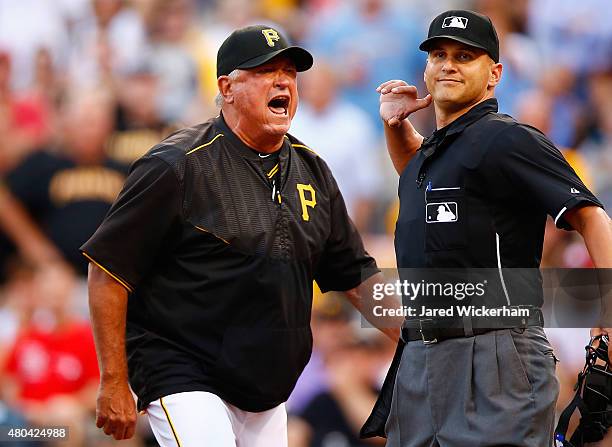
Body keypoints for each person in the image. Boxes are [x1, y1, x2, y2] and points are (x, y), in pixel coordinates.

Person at [81, 25, 398, 446]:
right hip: (182, 369)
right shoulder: (177, 165)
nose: (283, 80)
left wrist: (420, 336)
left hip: (264, 387)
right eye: (265, 71)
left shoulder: (312, 170)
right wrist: (114, 380)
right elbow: (107, 271)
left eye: (289, 71)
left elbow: (356, 276)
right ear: (227, 87)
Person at [360, 9, 612, 447]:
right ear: (426, 69)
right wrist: (395, 125)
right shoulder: (430, 155)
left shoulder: (507, 139)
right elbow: (424, 179)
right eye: (439, 54)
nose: (449, 64)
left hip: (494, 351)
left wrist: (607, 318)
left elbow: (592, 217)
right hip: (420, 356)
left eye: (464, 56)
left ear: (494, 74)